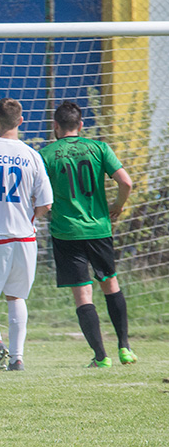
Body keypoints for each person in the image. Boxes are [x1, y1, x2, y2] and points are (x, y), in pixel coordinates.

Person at [39, 100, 136, 368]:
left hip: (67, 232)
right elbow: (126, 182)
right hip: (99, 229)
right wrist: (117, 205)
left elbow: (40, 197)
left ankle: (101, 357)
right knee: (110, 284)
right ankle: (125, 348)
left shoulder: (46, 154)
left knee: (83, 295)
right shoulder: (99, 148)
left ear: (55, 126)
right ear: (81, 125)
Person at [0, 98, 53, 371]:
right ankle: (17, 358)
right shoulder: (32, 155)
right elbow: (46, 204)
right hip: (24, 236)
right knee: (17, 296)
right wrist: (26, 215)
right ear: (21, 121)